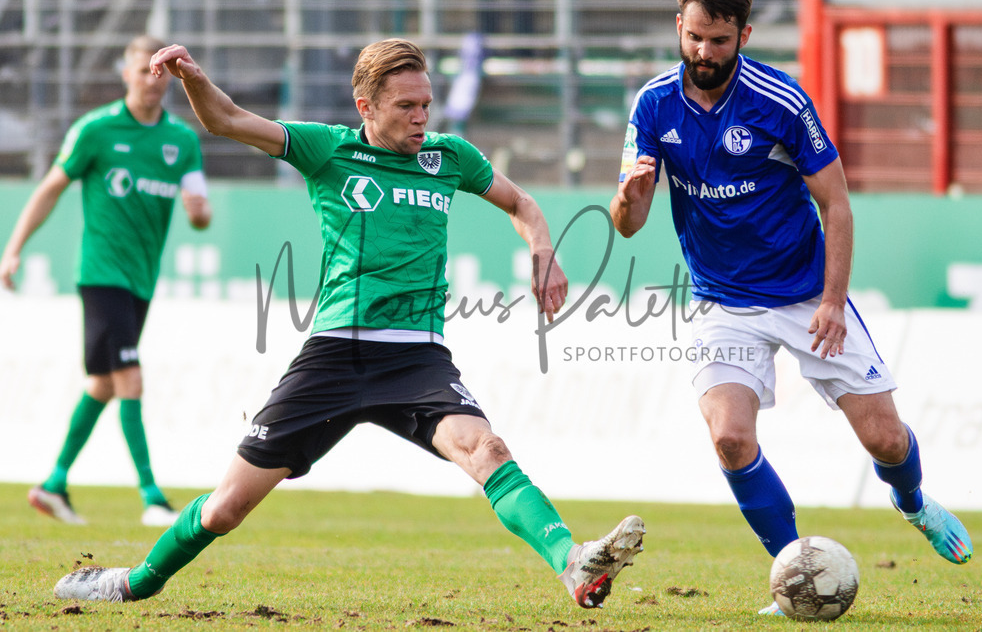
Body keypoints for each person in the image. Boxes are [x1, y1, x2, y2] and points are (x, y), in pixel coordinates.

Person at [52, 38, 644, 608]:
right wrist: (196, 80)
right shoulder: (327, 149)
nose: (421, 119)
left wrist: (542, 250)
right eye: (406, 107)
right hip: (334, 355)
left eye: (426, 105)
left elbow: (521, 205)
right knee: (226, 508)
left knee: (485, 448)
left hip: (418, 356)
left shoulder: (450, 157)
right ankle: (134, 583)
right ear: (366, 107)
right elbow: (227, 120)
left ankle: (573, 562)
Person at [610, 0, 971, 615]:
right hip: (722, 302)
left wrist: (833, 300)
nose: (704, 53)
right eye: (695, 37)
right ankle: (797, 570)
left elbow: (835, 202)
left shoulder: (779, 99)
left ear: (743, 35)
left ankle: (913, 501)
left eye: (719, 40)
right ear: (679, 30)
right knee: (729, 439)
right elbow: (628, 223)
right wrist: (628, 200)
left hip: (806, 293)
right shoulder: (652, 105)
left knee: (886, 440)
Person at [1, 34, 213, 528]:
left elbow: (199, 211)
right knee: (130, 378)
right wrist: (13, 250)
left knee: (101, 384)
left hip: (141, 281)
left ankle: (53, 483)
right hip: (101, 275)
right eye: (142, 71)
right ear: (125, 73)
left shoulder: (181, 140)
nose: (150, 81)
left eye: (160, 72)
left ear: (172, 77)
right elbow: (50, 188)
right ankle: (152, 496)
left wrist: (199, 212)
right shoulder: (96, 130)